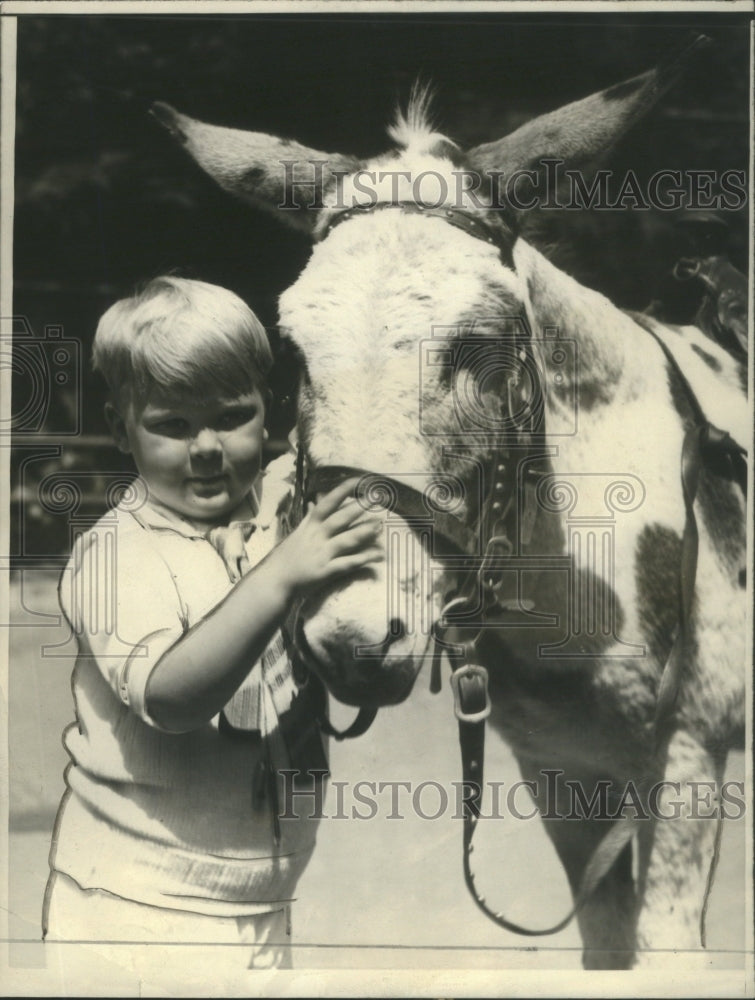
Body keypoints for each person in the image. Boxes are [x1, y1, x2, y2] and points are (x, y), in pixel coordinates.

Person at [42, 276, 383, 974]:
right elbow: (170, 698)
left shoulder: (283, 508)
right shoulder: (116, 551)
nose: (205, 447)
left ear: (274, 414)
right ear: (118, 430)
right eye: (171, 424)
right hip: (135, 907)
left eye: (231, 416)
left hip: (260, 902)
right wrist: (281, 576)